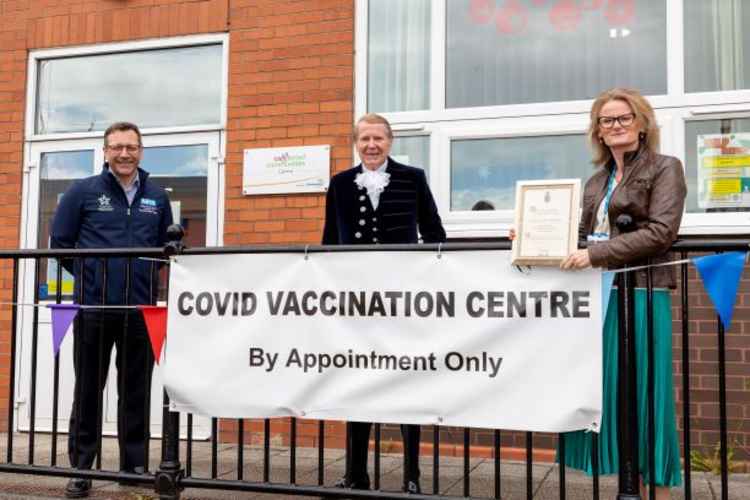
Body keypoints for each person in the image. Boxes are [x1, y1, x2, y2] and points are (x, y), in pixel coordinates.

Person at [559, 88, 685, 499]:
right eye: (605, 120)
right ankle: (627, 487)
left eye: (623, 118)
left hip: (643, 293)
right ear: (597, 130)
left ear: (642, 123)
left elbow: (661, 232)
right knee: (611, 393)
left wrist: (595, 254)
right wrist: (531, 235)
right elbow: (577, 236)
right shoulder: (597, 181)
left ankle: (658, 493)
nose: (614, 126)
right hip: (601, 297)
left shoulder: (666, 168)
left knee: (647, 394)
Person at [322, 113, 446, 494]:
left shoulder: (413, 178)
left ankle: (412, 475)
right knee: (357, 380)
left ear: (390, 141)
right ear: (356, 143)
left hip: (402, 299)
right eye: (364, 139)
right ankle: (357, 472)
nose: (371, 145)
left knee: (407, 380)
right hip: (356, 302)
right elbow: (329, 242)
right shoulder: (340, 183)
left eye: (378, 138)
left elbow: (435, 232)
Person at [51, 122, 173, 498]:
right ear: (105, 151)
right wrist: (92, 278)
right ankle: (82, 467)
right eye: (117, 147)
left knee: (135, 391)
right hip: (93, 308)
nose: (125, 154)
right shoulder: (82, 191)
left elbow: (165, 246)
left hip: (139, 310)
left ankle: (132, 467)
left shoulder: (156, 195)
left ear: (141, 151)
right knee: (88, 390)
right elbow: (60, 241)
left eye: (131, 147)